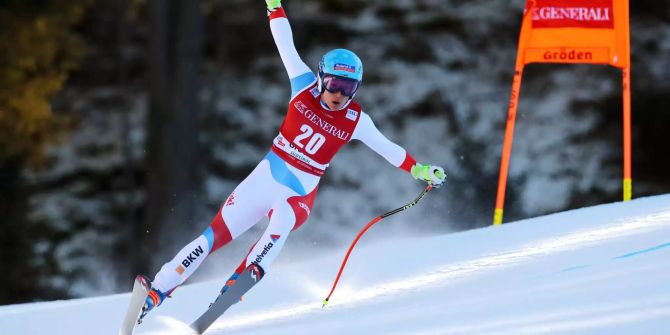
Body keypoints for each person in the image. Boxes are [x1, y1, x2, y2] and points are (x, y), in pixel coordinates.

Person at [139, 0, 446, 320]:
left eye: (348, 87)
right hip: (265, 176)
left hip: (298, 193)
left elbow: (387, 148)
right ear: (321, 78)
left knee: (282, 219)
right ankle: (156, 292)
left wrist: (420, 169)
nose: (338, 94)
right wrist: (274, 5)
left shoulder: (356, 120)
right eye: (333, 84)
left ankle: (239, 282)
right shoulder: (302, 85)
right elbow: (284, 41)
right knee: (210, 238)